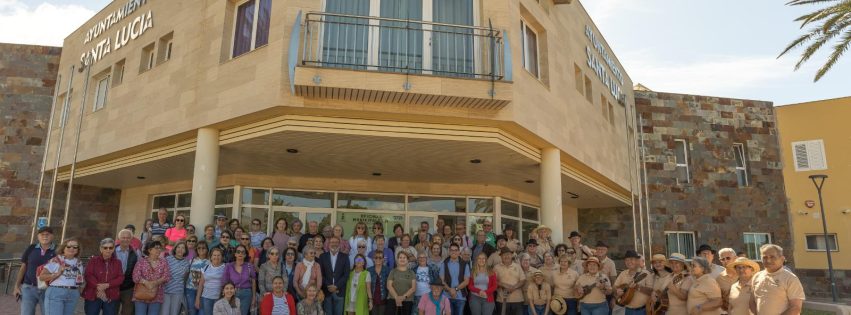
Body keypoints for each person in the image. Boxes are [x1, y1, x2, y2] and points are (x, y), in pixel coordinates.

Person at [750, 244, 804, 315]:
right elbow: (752, 302)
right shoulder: (757, 276)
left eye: (772, 257)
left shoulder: (790, 278)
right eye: (765, 257)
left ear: (782, 259)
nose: (768, 260)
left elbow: (795, 308)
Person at [15, 226, 56, 315]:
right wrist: (16, 286)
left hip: (48, 289)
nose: (45, 236)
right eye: (42, 234)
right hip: (28, 288)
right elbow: (23, 267)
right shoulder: (31, 248)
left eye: (47, 234)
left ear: (52, 236)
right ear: (38, 236)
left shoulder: (58, 250)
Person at [40, 238, 84, 315]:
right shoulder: (56, 260)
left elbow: (78, 280)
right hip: (56, 292)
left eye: (75, 247)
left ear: (77, 250)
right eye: (69, 246)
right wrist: (57, 274)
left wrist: (79, 291)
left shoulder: (79, 263)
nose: (72, 248)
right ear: (63, 248)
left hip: (73, 293)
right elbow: (42, 277)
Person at [83, 238, 124, 315]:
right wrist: (98, 287)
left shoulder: (118, 262)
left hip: (111, 295)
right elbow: (88, 275)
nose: (108, 250)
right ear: (101, 249)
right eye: (105, 247)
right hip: (94, 294)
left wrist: (107, 285)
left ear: (113, 249)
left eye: (110, 247)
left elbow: (120, 278)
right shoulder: (93, 260)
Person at [132, 240, 172, 314]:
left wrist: (154, 283)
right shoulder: (141, 261)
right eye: (156, 248)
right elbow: (135, 277)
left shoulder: (163, 262)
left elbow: (167, 276)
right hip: (141, 294)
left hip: (157, 295)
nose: (159, 250)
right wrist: (147, 283)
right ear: (149, 250)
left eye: (160, 248)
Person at [613, 250, 653, 315]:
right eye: (626, 260)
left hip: (642, 310)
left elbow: (651, 291)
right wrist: (617, 291)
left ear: (637, 261)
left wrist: (638, 287)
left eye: (631, 259)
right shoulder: (623, 273)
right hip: (627, 310)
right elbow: (614, 287)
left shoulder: (646, 274)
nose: (629, 262)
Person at [320, 236, 351, 315]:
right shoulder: (323, 256)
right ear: (329, 244)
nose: (334, 244)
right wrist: (329, 286)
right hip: (327, 291)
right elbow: (321, 274)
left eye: (336, 242)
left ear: (339, 244)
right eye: (332, 242)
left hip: (339, 291)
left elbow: (346, 274)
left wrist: (336, 286)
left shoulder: (345, 257)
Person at [224, 244, 257, 315]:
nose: (240, 253)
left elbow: (253, 282)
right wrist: (225, 295)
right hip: (232, 293)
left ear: (245, 255)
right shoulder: (229, 266)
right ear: (235, 254)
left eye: (243, 252)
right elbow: (225, 281)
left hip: (246, 294)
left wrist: (254, 297)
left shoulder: (249, 266)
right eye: (238, 252)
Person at [438, 243, 469, 315]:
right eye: (452, 250)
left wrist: (455, 289)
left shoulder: (464, 264)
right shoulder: (444, 264)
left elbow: (466, 281)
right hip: (447, 296)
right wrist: (450, 290)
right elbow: (441, 280)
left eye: (456, 250)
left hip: (460, 298)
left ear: (459, 252)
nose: (453, 252)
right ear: (449, 251)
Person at [494, 248, 525, 315]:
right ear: (501, 256)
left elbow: (523, 280)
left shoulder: (517, 266)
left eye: (508, 254)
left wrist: (513, 287)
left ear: (511, 255)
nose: (506, 256)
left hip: (517, 299)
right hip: (502, 299)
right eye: (504, 255)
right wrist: (503, 284)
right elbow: (493, 281)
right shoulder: (496, 267)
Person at [161, 241, 190, 314]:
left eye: (183, 248)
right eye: (178, 247)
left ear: (185, 250)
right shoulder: (167, 259)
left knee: (174, 312)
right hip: (166, 290)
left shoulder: (187, 263)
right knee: (164, 313)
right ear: (175, 249)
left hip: (178, 291)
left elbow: (185, 278)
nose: (180, 249)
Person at [115, 229, 139, 315]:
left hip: (128, 287)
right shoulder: (111, 251)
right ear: (119, 238)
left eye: (128, 238)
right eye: (123, 237)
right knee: (111, 311)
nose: (125, 239)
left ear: (131, 239)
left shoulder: (136, 253)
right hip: (113, 287)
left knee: (128, 312)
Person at [197, 248, 228, 314]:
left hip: (220, 297)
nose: (216, 257)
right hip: (206, 297)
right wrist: (197, 298)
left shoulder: (226, 267)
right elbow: (201, 284)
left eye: (218, 255)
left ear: (222, 257)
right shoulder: (205, 268)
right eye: (214, 255)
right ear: (210, 257)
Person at [186, 240, 210, 315]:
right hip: (190, 289)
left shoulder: (209, 262)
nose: (201, 250)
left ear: (207, 249)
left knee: (202, 311)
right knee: (191, 311)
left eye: (203, 248)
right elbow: (186, 274)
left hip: (204, 291)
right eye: (199, 248)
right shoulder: (192, 260)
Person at [714, 248, 738, 312]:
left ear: (735, 258)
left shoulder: (744, 274)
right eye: (722, 259)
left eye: (728, 258)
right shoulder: (718, 279)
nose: (725, 261)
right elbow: (718, 300)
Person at [368, 251, 390, 315]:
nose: (378, 259)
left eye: (380, 257)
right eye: (376, 257)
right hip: (373, 300)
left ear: (383, 259)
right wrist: (370, 300)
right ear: (373, 259)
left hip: (383, 299)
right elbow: (367, 287)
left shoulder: (387, 270)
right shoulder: (369, 270)